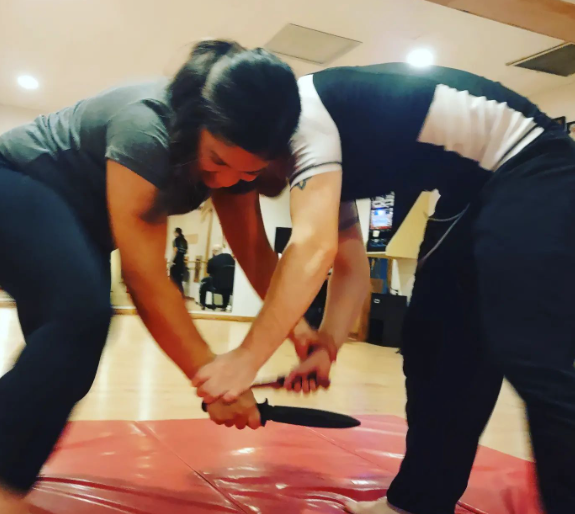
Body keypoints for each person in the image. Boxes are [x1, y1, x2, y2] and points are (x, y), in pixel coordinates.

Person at [193, 63, 575, 514]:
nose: (242, 181)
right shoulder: (325, 161)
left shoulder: (304, 119)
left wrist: (246, 358)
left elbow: (313, 247)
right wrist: (325, 345)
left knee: (529, 349)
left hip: (533, 159)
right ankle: (419, 502)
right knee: (433, 346)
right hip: (469, 190)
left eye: (246, 173)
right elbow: (352, 267)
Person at [0, 39, 306, 513]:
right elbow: (144, 279)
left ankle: (8, 486)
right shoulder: (147, 125)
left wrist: (300, 330)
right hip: (16, 180)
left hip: (78, 224)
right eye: (218, 161)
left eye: (247, 173)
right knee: (81, 314)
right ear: (196, 121)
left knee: (71, 362)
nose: (227, 181)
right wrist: (215, 381)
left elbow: (254, 252)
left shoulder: (232, 161)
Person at [199, 244, 235, 309]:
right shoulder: (230, 258)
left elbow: (209, 272)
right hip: (230, 286)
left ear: (214, 251)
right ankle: (224, 305)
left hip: (216, 286)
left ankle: (202, 303)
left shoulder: (212, 260)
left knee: (204, 282)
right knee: (225, 280)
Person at [170, 227, 188, 294]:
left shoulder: (176, 240)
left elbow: (175, 251)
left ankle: (173, 295)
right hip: (181, 263)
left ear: (177, 233)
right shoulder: (185, 241)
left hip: (176, 262)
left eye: (174, 232)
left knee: (173, 280)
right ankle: (181, 295)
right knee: (179, 281)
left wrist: (171, 261)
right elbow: (186, 252)